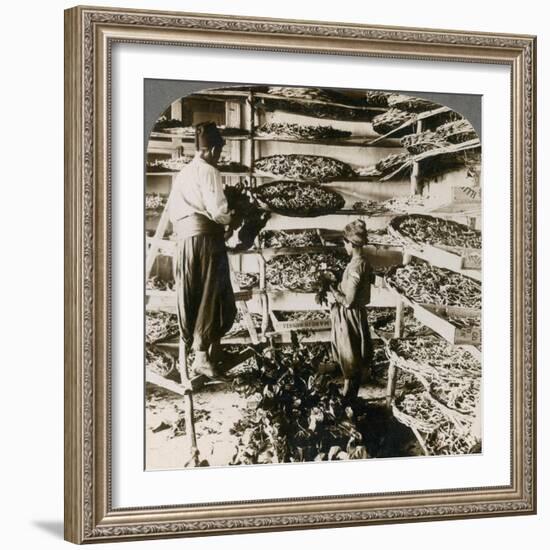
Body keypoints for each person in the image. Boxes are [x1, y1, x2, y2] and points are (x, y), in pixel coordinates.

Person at [168, 121, 237, 378]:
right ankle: (201, 356)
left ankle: (204, 352)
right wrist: (232, 217)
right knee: (213, 294)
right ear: (211, 151)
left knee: (193, 294)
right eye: (218, 152)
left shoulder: (184, 172)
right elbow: (218, 211)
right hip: (205, 240)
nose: (219, 157)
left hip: (185, 242)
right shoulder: (209, 171)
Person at [328, 219, 374, 397]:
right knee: (351, 360)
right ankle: (349, 399)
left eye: (345, 244)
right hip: (354, 315)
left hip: (349, 317)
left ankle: (349, 401)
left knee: (351, 360)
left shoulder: (356, 266)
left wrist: (332, 289)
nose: (345, 247)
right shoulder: (363, 262)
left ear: (350, 243)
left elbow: (348, 301)